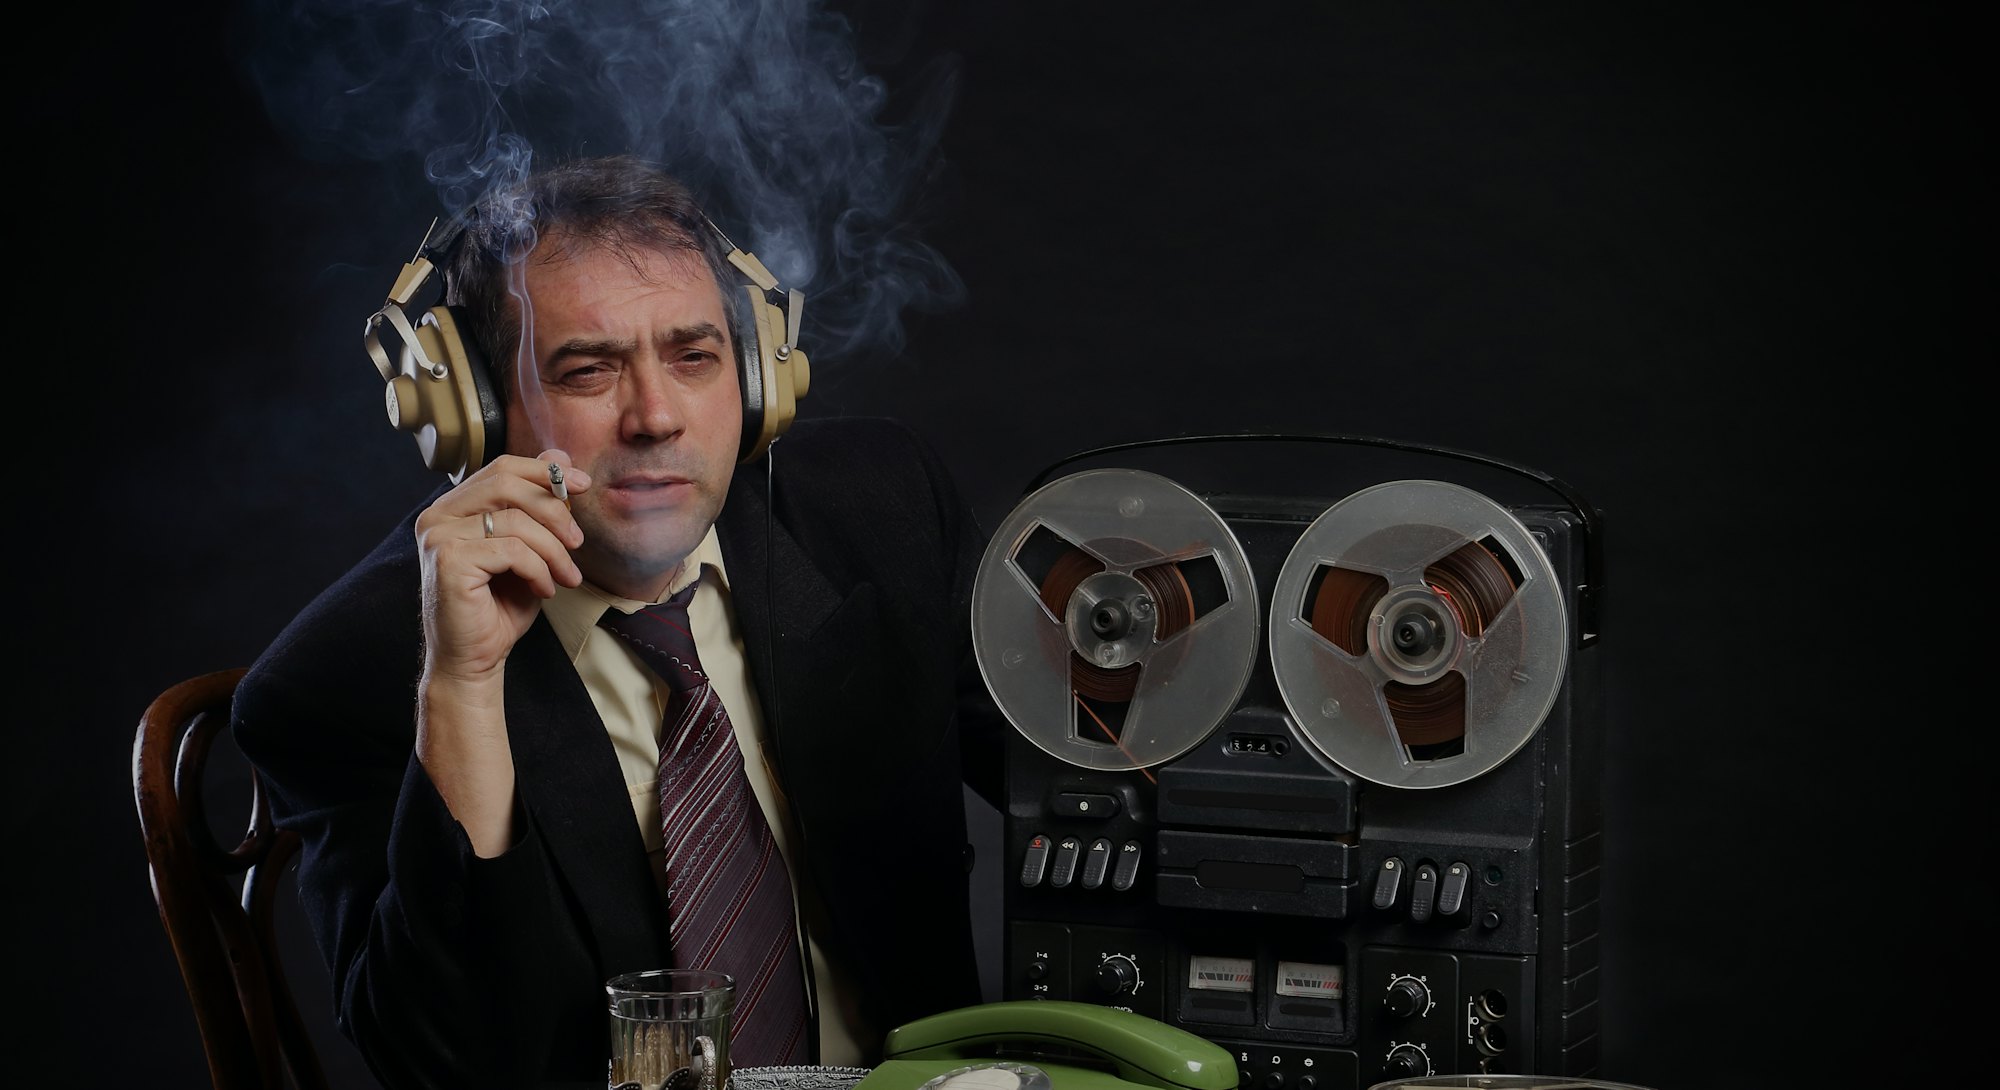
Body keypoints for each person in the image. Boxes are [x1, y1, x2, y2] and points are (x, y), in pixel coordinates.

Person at [233, 155, 1004, 1089]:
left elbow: (1093, 787)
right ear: (473, 415)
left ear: (760, 377)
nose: (655, 417)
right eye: (587, 370)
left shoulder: (882, 513)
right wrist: (464, 689)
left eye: (693, 357)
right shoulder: (345, 671)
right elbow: (439, 1059)